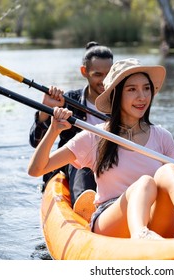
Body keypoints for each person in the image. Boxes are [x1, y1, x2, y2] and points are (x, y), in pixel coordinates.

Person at [28, 58, 174, 239]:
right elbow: (36, 170)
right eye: (132, 90)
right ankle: (141, 235)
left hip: (157, 221)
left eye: (146, 89)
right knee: (145, 182)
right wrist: (53, 129)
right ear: (116, 95)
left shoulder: (163, 137)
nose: (142, 97)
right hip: (111, 220)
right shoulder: (94, 136)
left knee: (169, 170)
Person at [29, 42, 114, 205]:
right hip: (78, 164)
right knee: (81, 161)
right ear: (84, 72)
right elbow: (36, 142)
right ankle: (85, 205)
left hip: (113, 161)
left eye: (109, 74)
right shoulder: (69, 101)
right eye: (98, 74)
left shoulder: (122, 104)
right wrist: (46, 110)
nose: (104, 81)